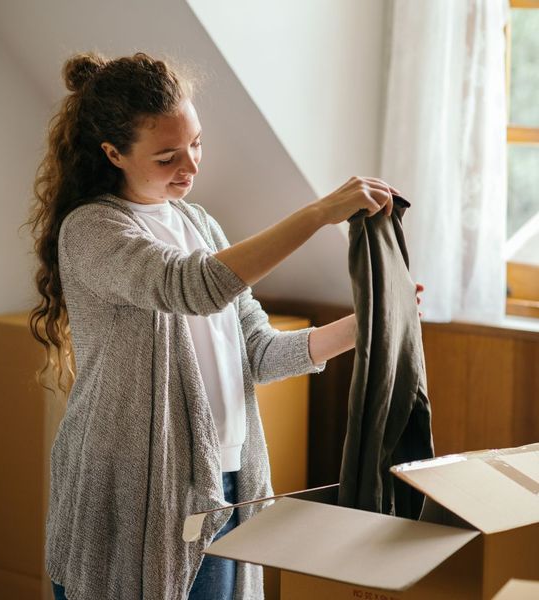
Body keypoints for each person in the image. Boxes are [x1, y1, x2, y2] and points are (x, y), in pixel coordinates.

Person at [27, 50, 423, 600]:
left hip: (230, 480)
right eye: (167, 157)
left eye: (196, 144)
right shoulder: (93, 231)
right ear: (114, 153)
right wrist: (317, 214)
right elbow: (193, 287)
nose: (190, 167)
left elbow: (257, 352)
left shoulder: (199, 224)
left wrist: (369, 324)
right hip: (138, 488)